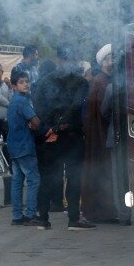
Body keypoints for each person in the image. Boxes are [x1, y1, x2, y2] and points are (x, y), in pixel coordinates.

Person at [33, 45, 95, 230]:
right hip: (71, 136)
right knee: (73, 177)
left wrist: (51, 127)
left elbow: (38, 106)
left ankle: (43, 219)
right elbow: (76, 106)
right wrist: (60, 126)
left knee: (49, 177)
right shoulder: (80, 82)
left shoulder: (44, 81)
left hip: (51, 136)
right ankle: (73, 219)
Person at [82, 44, 119, 222]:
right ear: (104, 62)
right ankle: (102, 210)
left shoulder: (105, 81)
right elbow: (103, 113)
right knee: (103, 171)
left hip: (104, 135)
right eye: (111, 58)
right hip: (101, 136)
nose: (114, 61)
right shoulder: (101, 82)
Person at [7, 71, 44, 226]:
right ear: (14, 86)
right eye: (21, 82)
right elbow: (35, 121)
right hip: (24, 146)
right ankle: (30, 215)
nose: (26, 84)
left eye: (27, 81)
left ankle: (17, 216)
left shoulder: (13, 101)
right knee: (33, 180)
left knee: (17, 181)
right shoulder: (22, 101)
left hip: (14, 146)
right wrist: (37, 125)